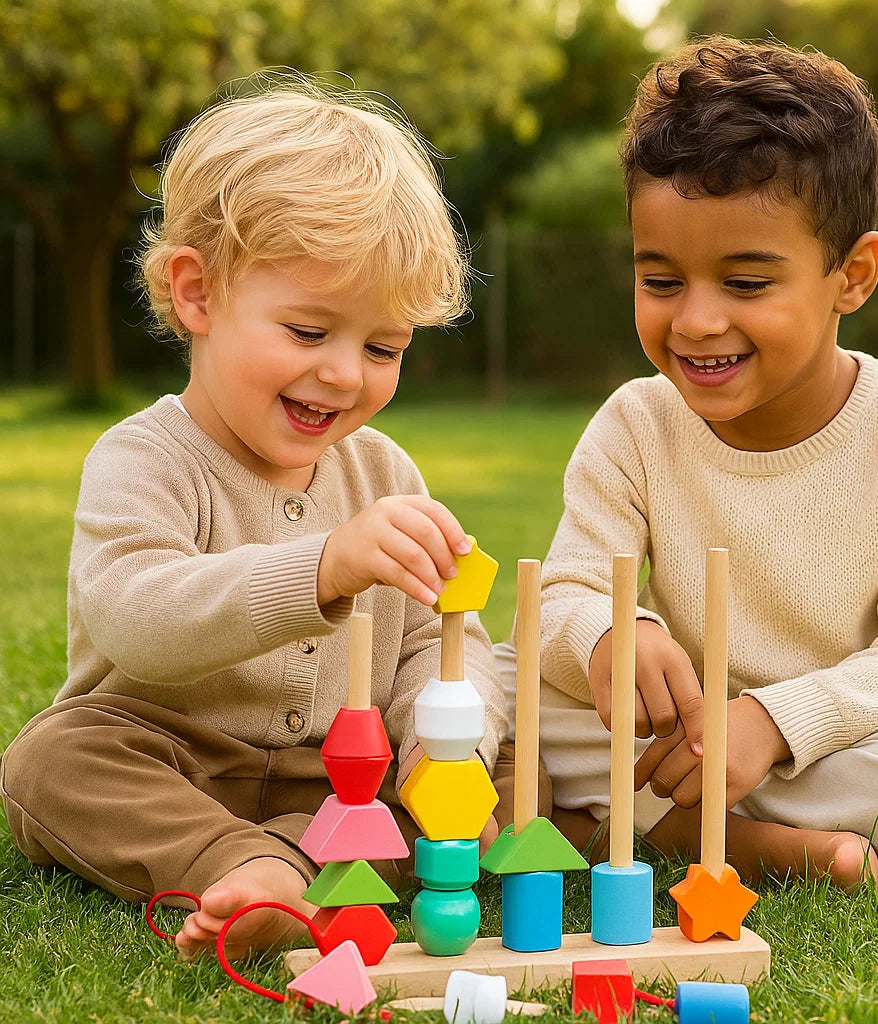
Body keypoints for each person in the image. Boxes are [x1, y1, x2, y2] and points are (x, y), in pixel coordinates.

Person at [495, 36, 878, 889]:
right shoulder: (635, 423)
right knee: (497, 682)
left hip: (831, 743)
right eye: (661, 281)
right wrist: (609, 634)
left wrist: (777, 721)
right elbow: (565, 594)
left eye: (745, 284)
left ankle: (623, 830)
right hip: (675, 731)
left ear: (852, 275)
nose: (696, 321)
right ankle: (718, 840)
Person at [0, 84, 507, 958]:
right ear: (197, 294)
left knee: (502, 765)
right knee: (50, 761)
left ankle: (305, 862)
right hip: (167, 756)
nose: (347, 374)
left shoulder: (387, 473)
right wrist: (320, 570)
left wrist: (443, 746)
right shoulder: (143, 458)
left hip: (337, 780)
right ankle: (243, 866)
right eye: (309, 332)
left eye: (383, 348)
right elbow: (135, 619)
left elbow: (442, 639)